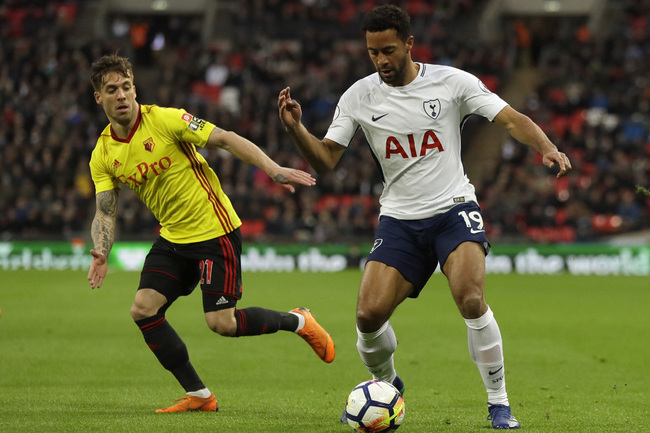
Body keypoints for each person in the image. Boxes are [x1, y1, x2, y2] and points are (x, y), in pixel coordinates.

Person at [278, 5, 571, 430]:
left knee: (470, 297)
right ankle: (386, 386)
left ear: (410, 44)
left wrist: (545, 147)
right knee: (367, 316)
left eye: (389, 50)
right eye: (373, 52)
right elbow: (325, 160)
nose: (381, 61)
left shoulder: (452, 83)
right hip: (399, 218)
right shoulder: (358, 96)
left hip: (454, 209)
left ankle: (499, 403)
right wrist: (295, 130)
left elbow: (510, 119)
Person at [87, 54, 335, 413]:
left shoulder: (167, 119)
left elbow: (225, 139)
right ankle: (200, 396)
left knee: (221, 323)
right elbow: (105, 210)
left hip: (214, 231)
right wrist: (101, 251)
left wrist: (272, 168)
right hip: (173, 238)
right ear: (100, 98)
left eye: (126, 87)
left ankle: (298, 321)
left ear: (135, 88)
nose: (122, 95)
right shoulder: (103, 153)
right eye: (112, 90)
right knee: (143, 309)